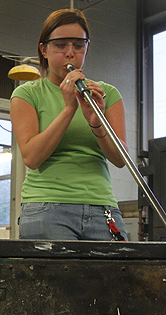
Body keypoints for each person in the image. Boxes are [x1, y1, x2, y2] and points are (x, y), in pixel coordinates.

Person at [10, 8, 129, 241]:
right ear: (44, 50)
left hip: (101, 206)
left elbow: (120, 159)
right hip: (47, 208)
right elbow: (32, 158)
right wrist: (68, 110)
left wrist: (96, 123)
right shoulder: (26, 94)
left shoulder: (106, 94)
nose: (70, 53)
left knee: (115, 277)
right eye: (61, 45)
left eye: (78, 45)